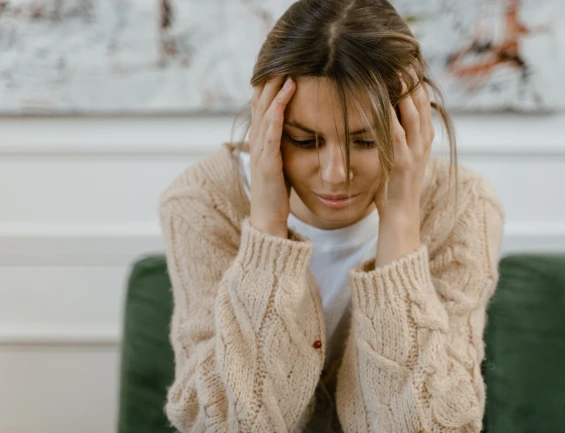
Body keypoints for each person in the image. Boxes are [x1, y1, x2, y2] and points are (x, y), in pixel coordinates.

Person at [158, 0, 504, 431]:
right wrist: (266, 230)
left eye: (365, 141)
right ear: (268, 124)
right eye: (305, 141)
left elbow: (435, 426)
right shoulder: (204, 202)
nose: (336, 174)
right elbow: (227, 424)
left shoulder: (460, 205)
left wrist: (399, 224)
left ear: (412, 125)